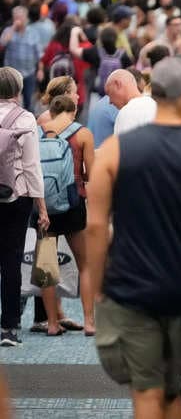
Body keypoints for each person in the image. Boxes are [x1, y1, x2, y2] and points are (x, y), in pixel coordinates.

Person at [87, 56, 181, 419]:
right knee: (173, 390)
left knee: (147, 391)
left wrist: (96, 284)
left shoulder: (114, 152)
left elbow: (95, 226)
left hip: (131, 289)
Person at [35, 95, 95, 336]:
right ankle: (90, 322)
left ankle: (51, 323)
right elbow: (91, 173)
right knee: (86, 265)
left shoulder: (38, 132)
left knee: (47, 268)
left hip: (44, 207)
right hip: (73, 203)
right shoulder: (82, 134)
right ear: (74, 110)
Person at [0, 66, 49, 347]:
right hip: (16, 195)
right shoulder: (26, 118)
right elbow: (32, 167)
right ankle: (9, 327)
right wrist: (41, 207)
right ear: (18, 90)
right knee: (11, 260)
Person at [0, 6, 42, 110]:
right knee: (10, 102)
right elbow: (3, 43)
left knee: (28, 101)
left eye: (20, 18)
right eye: (16, 18)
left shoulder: (33, 32)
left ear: (26, 18)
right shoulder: (8, 31)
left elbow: (39, 54)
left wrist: (40, 70)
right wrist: (13, 28)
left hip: (29, 73)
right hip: (12, 75)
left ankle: (28, 122)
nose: (18, 20)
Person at [106, 70, 156, 136]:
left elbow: (122, 145)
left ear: (118, 84)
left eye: (109, 93)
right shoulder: (155, 104)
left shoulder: (127, 112)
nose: (110, 101)